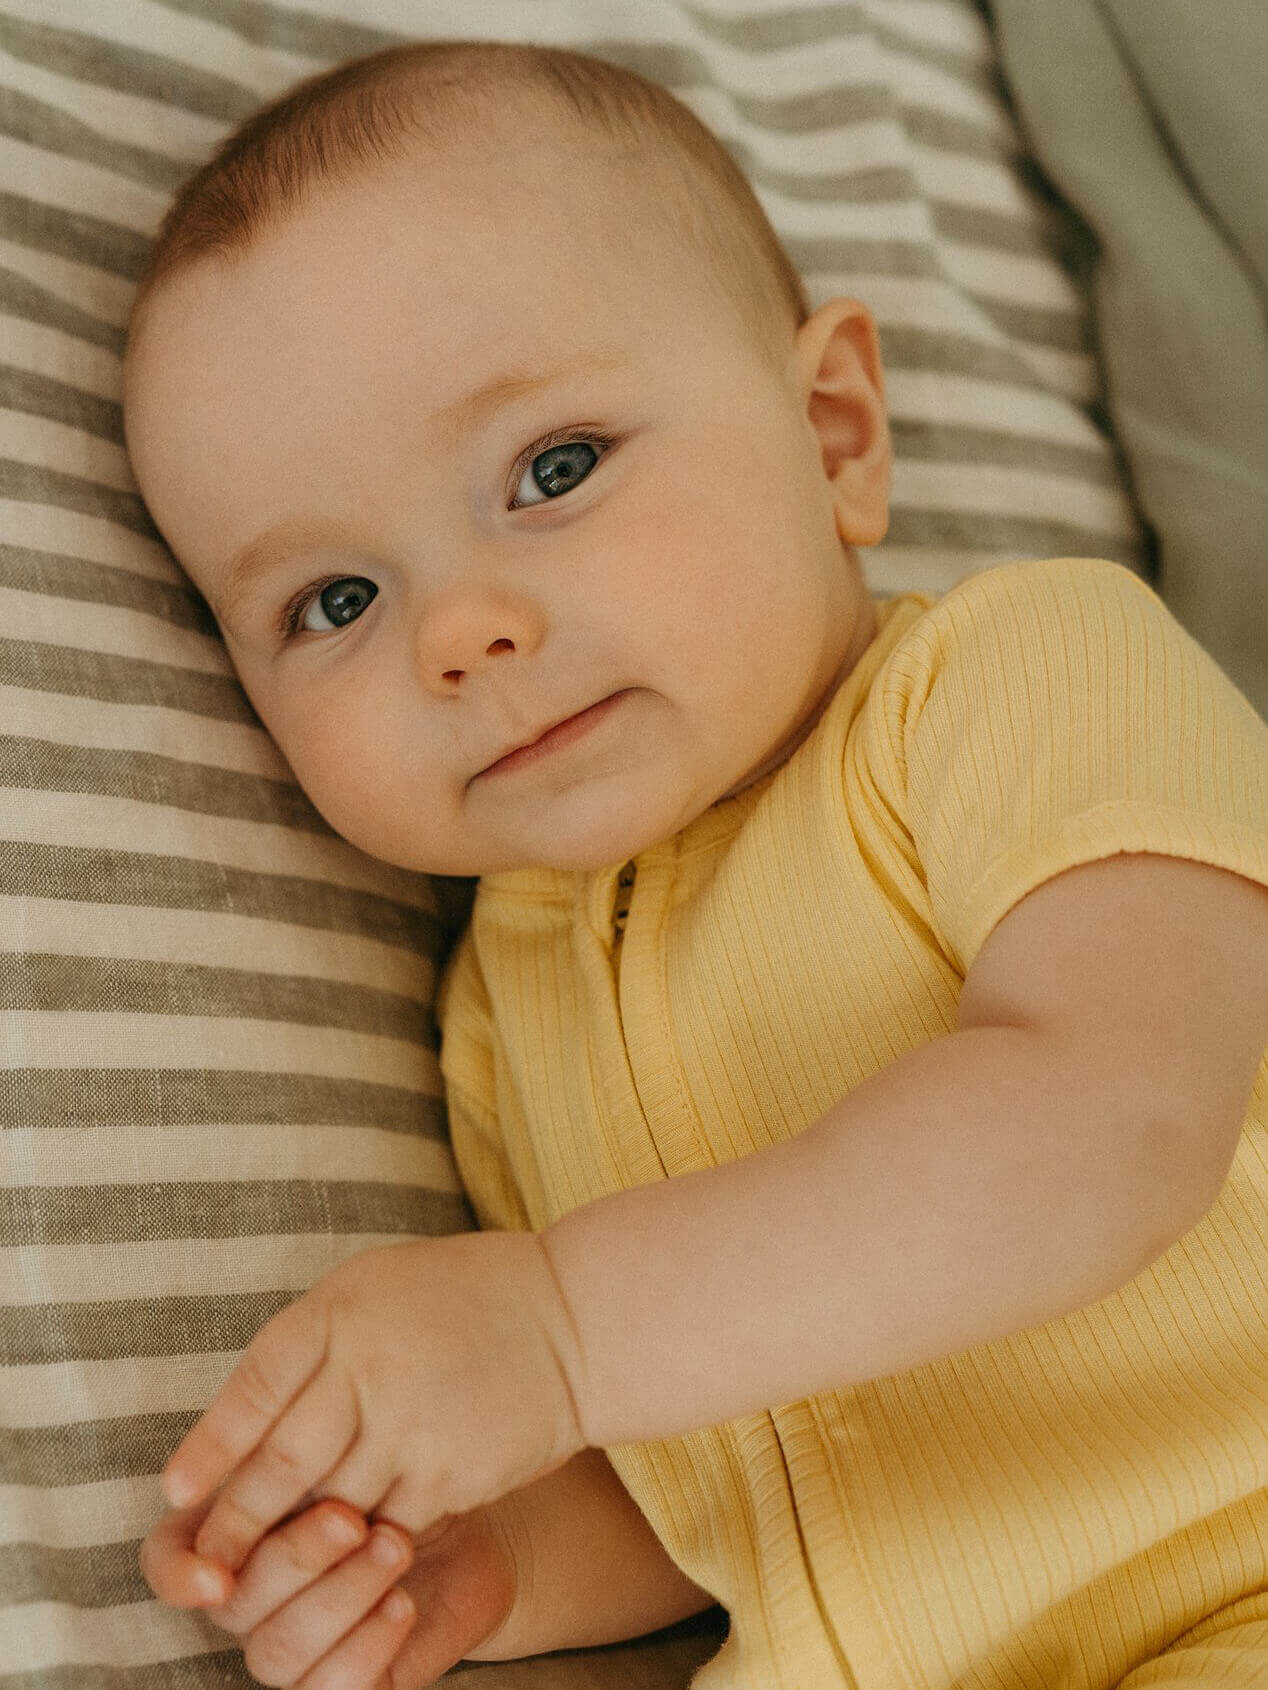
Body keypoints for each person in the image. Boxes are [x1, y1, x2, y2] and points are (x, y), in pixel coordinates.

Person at [120, 39, 1268, 1690]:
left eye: (554, 468)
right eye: (333, 602)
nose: (460, 629)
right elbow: (713, 1465)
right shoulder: (504, 1010)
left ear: (831, 429)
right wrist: (490, 1561)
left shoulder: (1021, 673)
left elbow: (1117, 1121)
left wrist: (561, 1331)